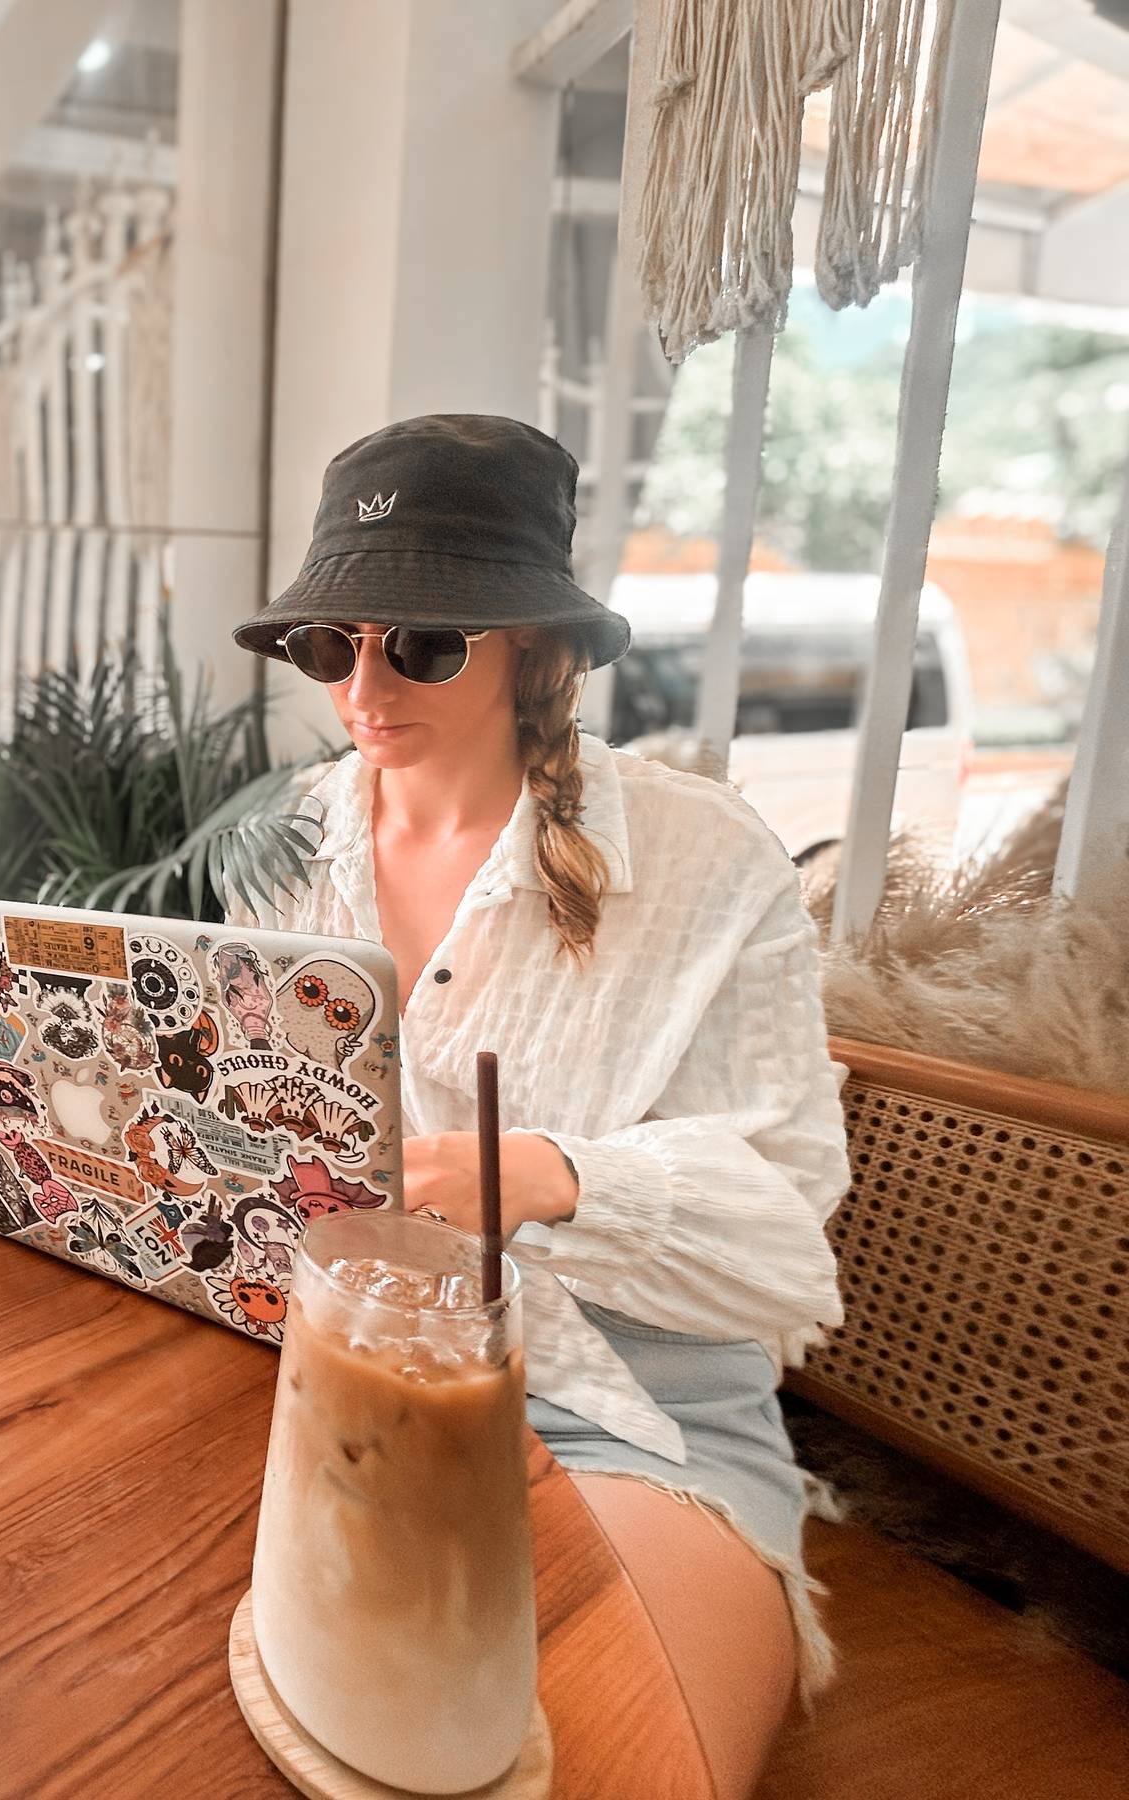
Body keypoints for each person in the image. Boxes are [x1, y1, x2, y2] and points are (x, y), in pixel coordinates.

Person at [231, 414, 847, 1800]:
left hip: (632, 1407)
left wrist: (548, 1175)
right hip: (339, 1369)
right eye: (335, 643)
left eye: (424, 643)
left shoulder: (701, 861)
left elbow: (790, 1217)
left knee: (601, 1755)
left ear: (538, 651)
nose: (363, 688)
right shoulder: (281, 848)